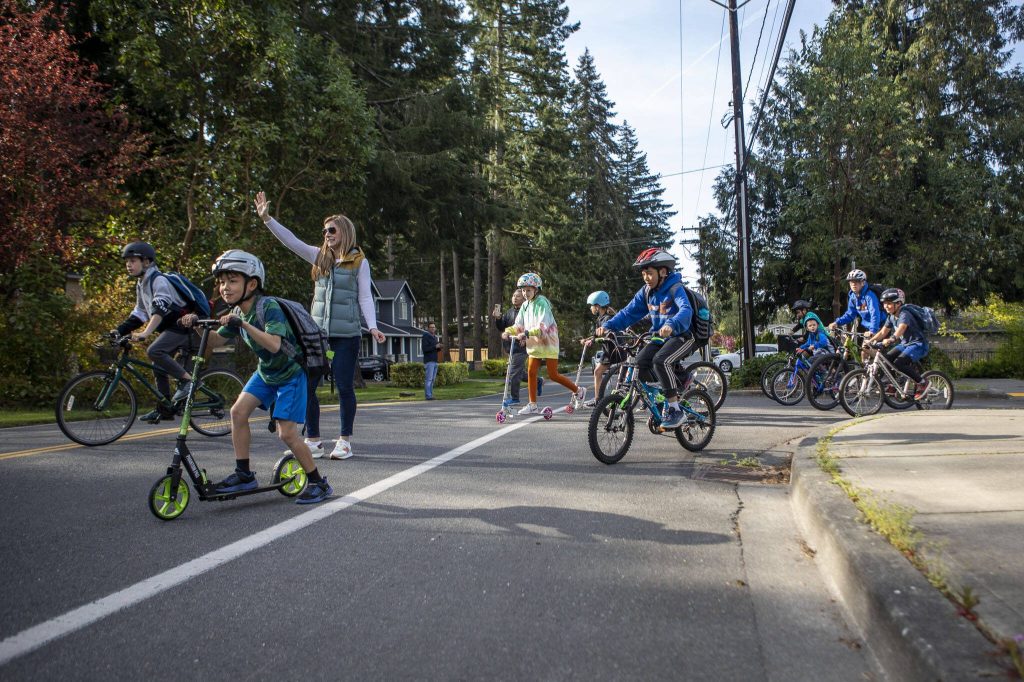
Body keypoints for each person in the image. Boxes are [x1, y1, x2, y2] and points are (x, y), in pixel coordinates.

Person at [181, 250, 332, 504]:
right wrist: (196, 324)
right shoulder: (238, 313)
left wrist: (244, 325)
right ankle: (244, 474)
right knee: (237, 412)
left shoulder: (268, 307)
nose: (225, 287)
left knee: (287, 434)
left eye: (232, 281)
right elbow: (216, 340)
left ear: (252, 284)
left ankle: (319, 483)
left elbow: (274, 344)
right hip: (266, 372)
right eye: (222, 281)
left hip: (292, 375)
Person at [255, 191, 386, 461]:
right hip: (316, 336)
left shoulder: (360, 262)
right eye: (324, 230)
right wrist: (267, 219)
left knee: (344, 386)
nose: (326, 234)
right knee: (307, 386)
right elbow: (291, 242)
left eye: (331, 229)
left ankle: (345, 441)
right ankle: (313, 439)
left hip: (346, 335)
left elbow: (364, 296)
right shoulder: (320, 258)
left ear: (345, 232)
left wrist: (372, 326)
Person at [595, 248, 695, 430]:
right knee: (639, 364)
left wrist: (671, 324)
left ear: (663, 272)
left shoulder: (675, 288)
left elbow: (686, 310)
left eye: (649, 273)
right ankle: (661, 397)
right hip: (658, 338)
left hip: (681, 336)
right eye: (643, 274)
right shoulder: (647, 292)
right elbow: (628, 313)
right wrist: (608, 325)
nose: (646, 278)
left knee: (660, 361)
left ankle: (675, 409)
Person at [112, 242, 198, 423]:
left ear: (147, 262)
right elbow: (140, 313)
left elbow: (159, 309)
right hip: (171, 328)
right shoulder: (141, 283)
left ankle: (188, 382)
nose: (129, 265)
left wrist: (145, 333)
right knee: (158, 365)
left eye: (133, 260)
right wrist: (118, 330)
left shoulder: (159, 280)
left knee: (154, 351)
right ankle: (165, 409)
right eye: (127, 261)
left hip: (184, 327)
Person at [502, 273, 584, 415]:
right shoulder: (525, 306)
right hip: (534, 344)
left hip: (548, 342)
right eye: (523, 290)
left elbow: (543, 326)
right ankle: (532, 404)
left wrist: (526, 333)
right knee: (531, 372)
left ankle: (579, 391)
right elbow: (518, 324)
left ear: (536, 290)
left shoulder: (542, 303)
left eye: (528, 290)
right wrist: (508, 331)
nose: (525, 293)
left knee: (553, 374)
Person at [864, 287, 931, 400]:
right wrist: (870, 342)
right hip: (905, 344)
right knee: (887, 359)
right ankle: (894, 384)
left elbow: (902, 328)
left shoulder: (904, 314)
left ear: (898, 303)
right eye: (884, 304)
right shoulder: (891, 316)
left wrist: (892, 339)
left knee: (900, 363)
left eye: (889, 303)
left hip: (917, 344)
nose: (886, 306)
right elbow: (883, 332)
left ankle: (922, 383)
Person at [491, 289, 541, 407]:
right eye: (513, 296)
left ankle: (515, 398)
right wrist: (498, 318)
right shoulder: (509, 312)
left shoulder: (527, 311)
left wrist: (525, 337)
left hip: (522, 347)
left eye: (518, 296)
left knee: (513, 373)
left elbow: (532, 326)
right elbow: (502, 327)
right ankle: (538, 380)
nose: (515, 298)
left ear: (523, 299)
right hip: (511, 347)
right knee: (518, 372)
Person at [581, 290, 622, 407]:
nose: (591, 308)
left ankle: (600, 399)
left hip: (614, 351)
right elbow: (596, 334)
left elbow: (606, 332)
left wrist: (593, 340)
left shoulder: (607, 319)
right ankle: (599, 399)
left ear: (598, 306)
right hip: (608, 351)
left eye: (592, 306)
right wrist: (589, 339)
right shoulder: (601, 318)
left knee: (601, 373)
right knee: (599, 372)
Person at [829, 269, 883, 335]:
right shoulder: (853, 296)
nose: (853, 284)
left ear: (863, 283)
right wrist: (837, 323)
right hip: (869, 327)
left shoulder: (869, 295)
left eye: (856, 282)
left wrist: (873, 330)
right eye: (851, 282)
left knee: (870, 345)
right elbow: (850, 314)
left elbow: (875, 314)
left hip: (881, 326)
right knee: (864, 345)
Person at [422, 322, 441, 400]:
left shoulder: (435, 337)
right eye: (431, 327)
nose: (433, 328)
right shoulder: (425, 336)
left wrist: (439, 347)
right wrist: (435, 346)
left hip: (435, 361)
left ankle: (430, 395)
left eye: (434, 327)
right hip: (429, 361)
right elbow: (425, 349)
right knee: (429, 379)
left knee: (432, 380)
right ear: (428, 328)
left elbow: (436, 349)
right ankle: (428, 396)